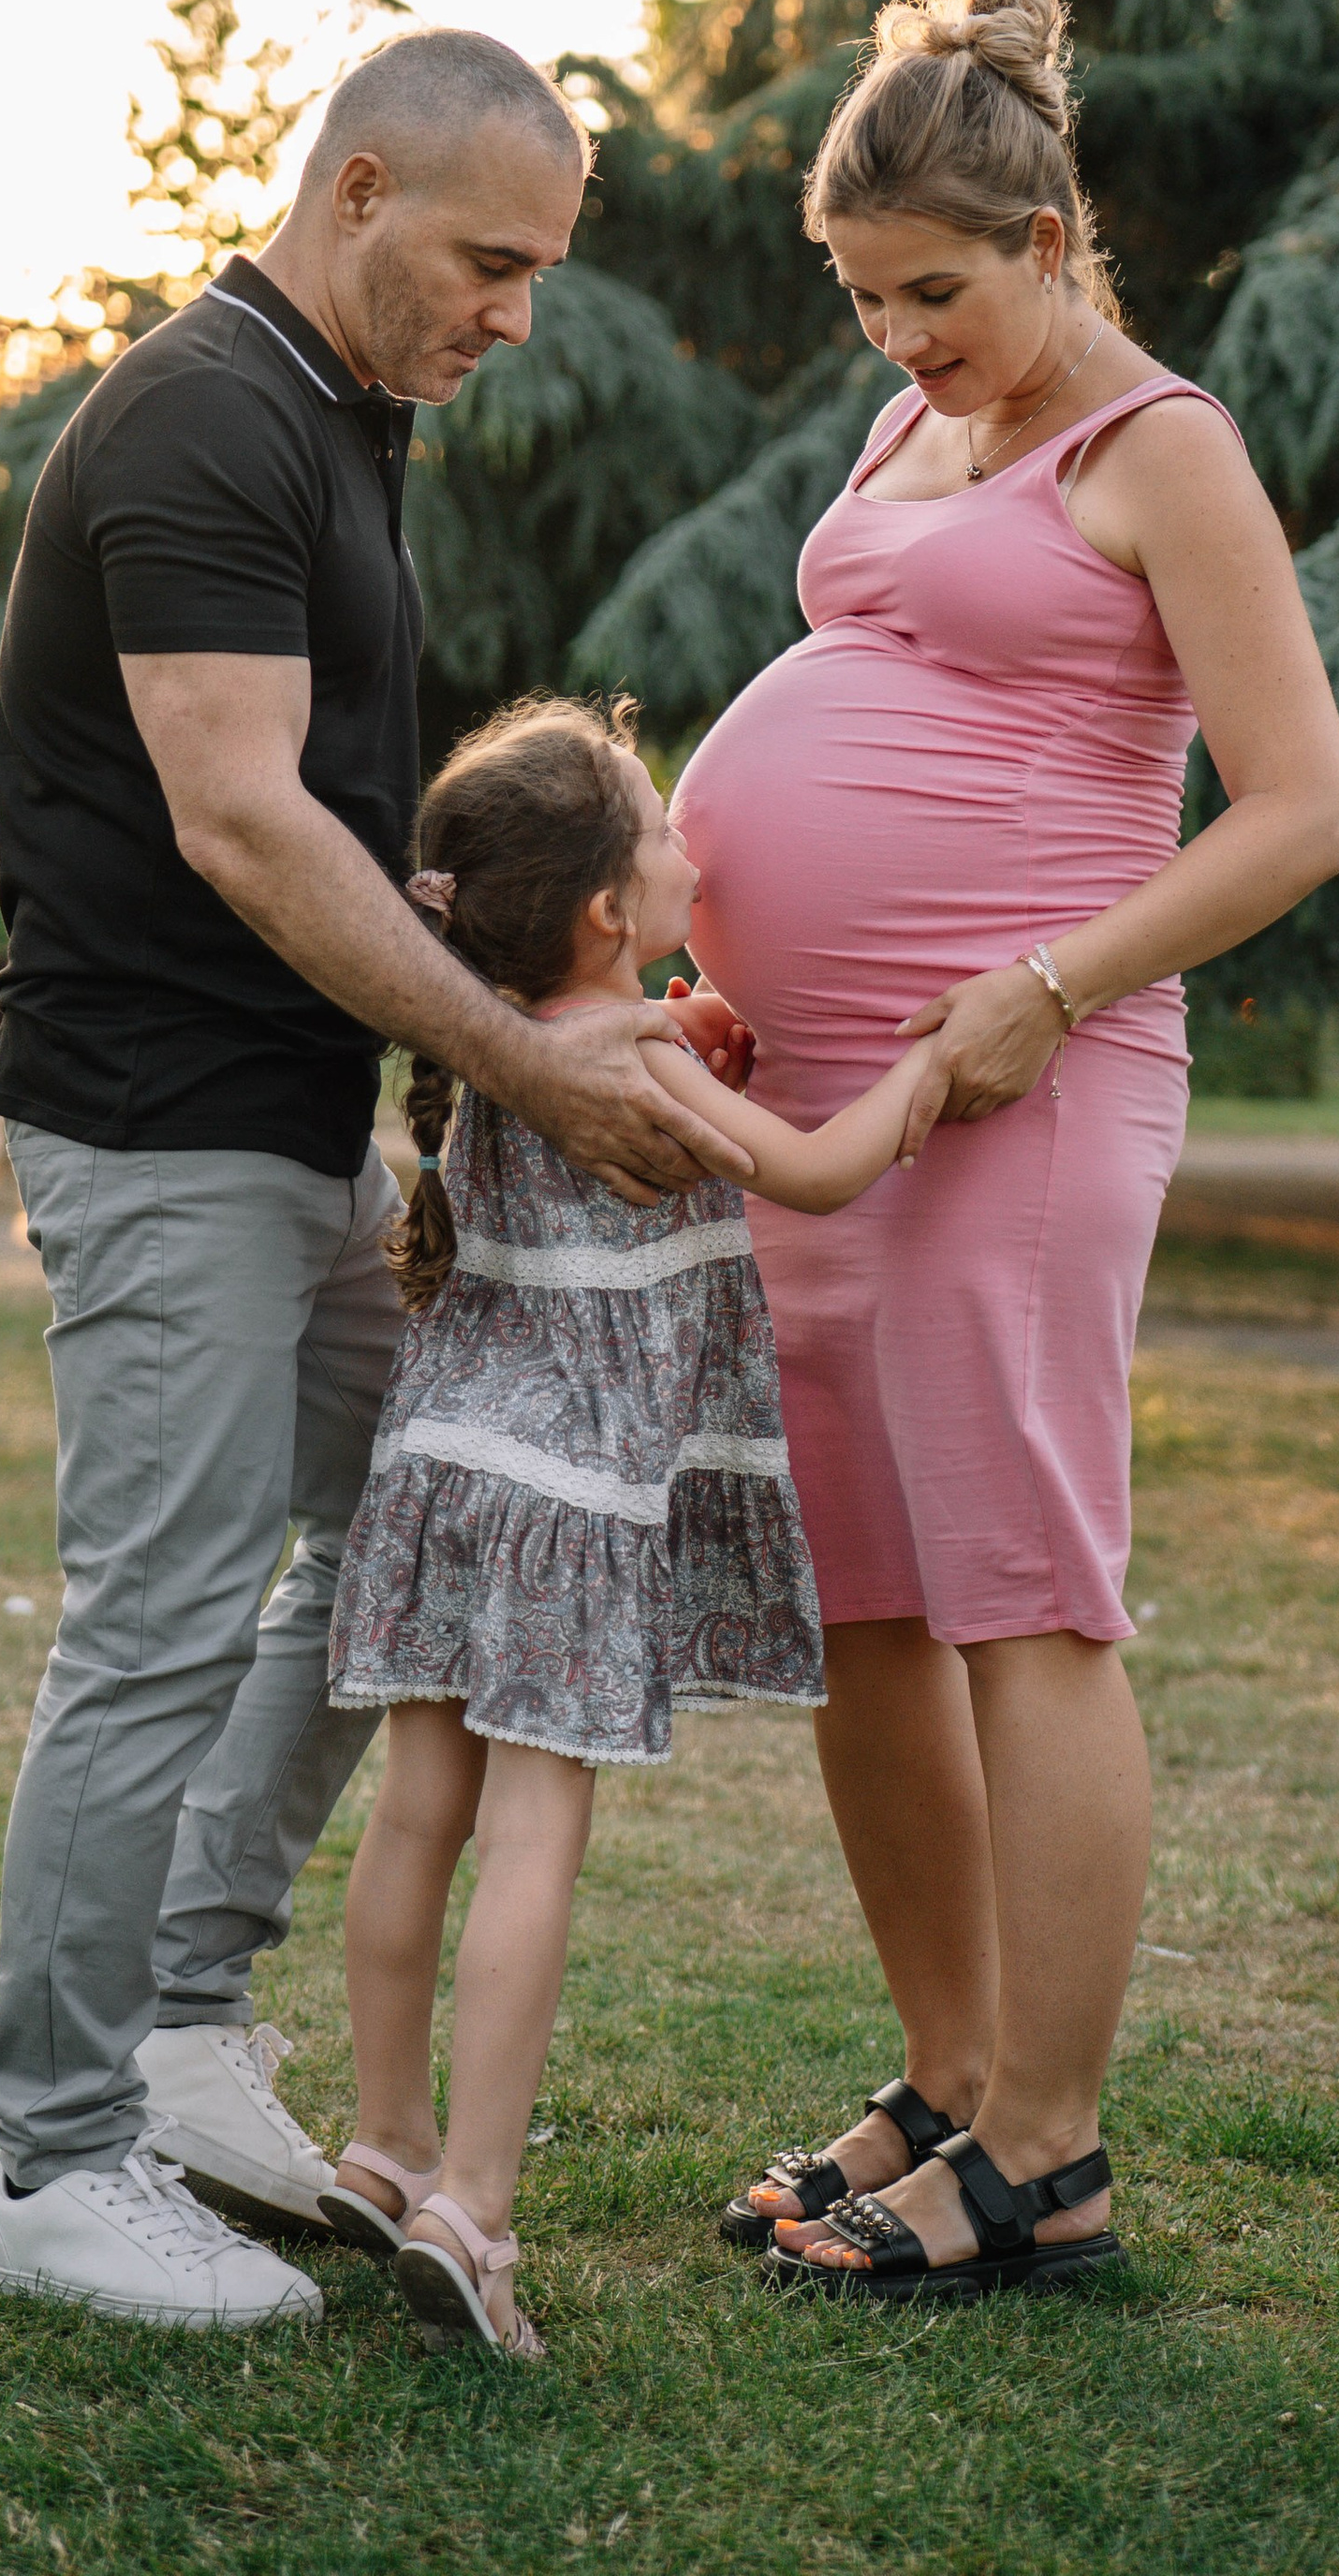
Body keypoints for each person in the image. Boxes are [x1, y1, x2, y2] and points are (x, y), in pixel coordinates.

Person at [0, 29, 758, 2333]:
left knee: (401, 1512)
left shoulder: (341, 426)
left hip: (282, 1121)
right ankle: (54, 2149)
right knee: (162, 1611)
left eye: (538, 274)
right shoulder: (208, 410)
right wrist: (515, 1052)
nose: (515, 312)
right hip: (159, 1120)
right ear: (362, 185)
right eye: (490, 259)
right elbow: (238, 812)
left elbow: (373, 829)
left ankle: (189, 2019)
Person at [672, 0, 1339, 2305]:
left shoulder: (1156, 446)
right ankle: (948, 2068)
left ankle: (1044, 2151)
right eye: (861, 302)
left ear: (1049, 246)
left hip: (1024, 1082)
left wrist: (1036, 989)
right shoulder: (910, 428)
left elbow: (1292, 815)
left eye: (931, 292)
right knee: (863, 1605)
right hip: (827, 1106)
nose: (896, 341)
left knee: (1023, 1602)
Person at [317, 695, 936, 2357]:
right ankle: (480, 2210)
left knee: (413, 1819)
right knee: (534, 1837)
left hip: (444, 1465)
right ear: (607, 909)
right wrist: (939, 1068)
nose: (692, 849)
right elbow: (811, 1176)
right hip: (573, 1495)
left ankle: (384, 2146)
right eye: (665, 831)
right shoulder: (638, 1051)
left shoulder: (491, 1041)